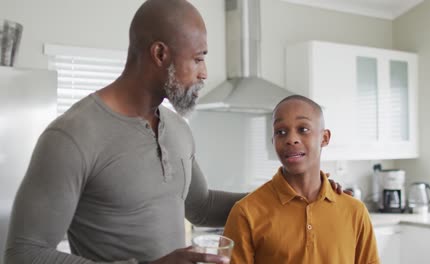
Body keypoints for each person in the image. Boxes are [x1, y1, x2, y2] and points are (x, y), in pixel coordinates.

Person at [4, 1, 346, 264]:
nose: (203, 73)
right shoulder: (72, 136)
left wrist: (297, 193)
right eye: (197, 59)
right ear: (159, 54)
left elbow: (201, 205)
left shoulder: (177, 129)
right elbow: (23, 253)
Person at [223, 95, 380, 264]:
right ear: (273, 141)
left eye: (303, 129)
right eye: (280, 132)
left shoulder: (355, 211)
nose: (291, 139)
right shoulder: (245, 213)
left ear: (324, 138)